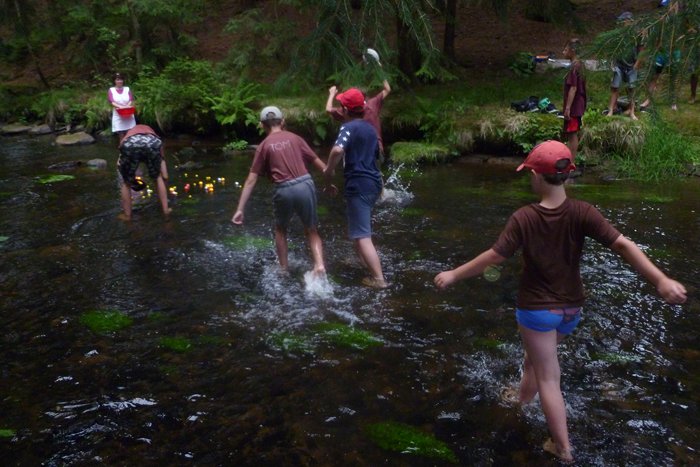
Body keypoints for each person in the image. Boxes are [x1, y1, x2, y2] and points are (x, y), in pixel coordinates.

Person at [433, 140, 687, 463]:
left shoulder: (524, 217)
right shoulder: (583, 212)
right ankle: (522, 399)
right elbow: (624, 245)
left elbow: (494, 257)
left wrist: (454, 274)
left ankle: (562, 448)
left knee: (549, 378)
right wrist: (661, 280)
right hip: (571, 311)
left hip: (537, 311)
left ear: (536, 176)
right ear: (567, 175)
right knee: (536, 359)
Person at [232, 106, 327, 277]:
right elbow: (318, 163)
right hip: (305, 184)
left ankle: (283, 268)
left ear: (262, 125)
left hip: (283, 189)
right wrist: (329, 182)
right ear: (282, 121)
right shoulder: (296, 138)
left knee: (281, 230)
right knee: (311, 229)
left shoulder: (263, 146)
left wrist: (240, 209)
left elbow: (251, 180)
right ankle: (319, 265)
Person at [324, 88, 387, 288]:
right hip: (373, 182)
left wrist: (328, 170)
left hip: (358, 184)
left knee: (362, 236)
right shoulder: (370, 129)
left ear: (345, 109)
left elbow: (337, 150)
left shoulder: (348, 127)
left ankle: (379, 279)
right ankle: (361, 261)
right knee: (360, 227)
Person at [326, 65, 391, 161]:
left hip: (359, 152)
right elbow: (387, 89)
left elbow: (328, 109)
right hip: (377, 149)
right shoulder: (372, 104)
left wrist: (331, 94)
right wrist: (378, 68)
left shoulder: (346, 111)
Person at [117, 124, 171, 220]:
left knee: (126, 183)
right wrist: (164, 180)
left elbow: (118, 164)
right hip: (152, 143)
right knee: (158, 177)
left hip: (130, 144)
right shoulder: (154, 136)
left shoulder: (128, 135)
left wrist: (129, 178)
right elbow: (165, 175)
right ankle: (166, 210)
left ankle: (127, 216)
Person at [605, 12, 643, 120]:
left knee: (631, 89)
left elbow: (641, 51)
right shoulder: (619, 35)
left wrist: (637, 63)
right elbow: (613, 49)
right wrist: (612, 61)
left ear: (629, 21)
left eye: (623, 21)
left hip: (632, 65)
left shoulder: (637, 35)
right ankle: (610, 110)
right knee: (615, 87)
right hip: (619, 64)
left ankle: (632, 112)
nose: (621, 23)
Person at [562, 39, 586, 162]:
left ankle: (571, 162)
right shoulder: (579, 64)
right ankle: (569, 160)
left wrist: (568, 108)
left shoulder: (574, 66)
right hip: (578, 104)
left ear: (572, 51)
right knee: (571, 132)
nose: (563, 52)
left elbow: (573, 88)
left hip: (574, 106)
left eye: (566, 49)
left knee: (572, 133)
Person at [108, 73, 136, 137]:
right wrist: (120, 107)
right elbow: (112, 101)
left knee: (130, 134)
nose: (120, 81)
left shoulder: (127, 89)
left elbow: (131, 99)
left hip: (128, 113)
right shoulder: (111, 90)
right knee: (121, 134)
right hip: (118, 113)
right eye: (118, 80)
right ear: (114, 81)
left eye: (121, 79)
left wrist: (127, 106)